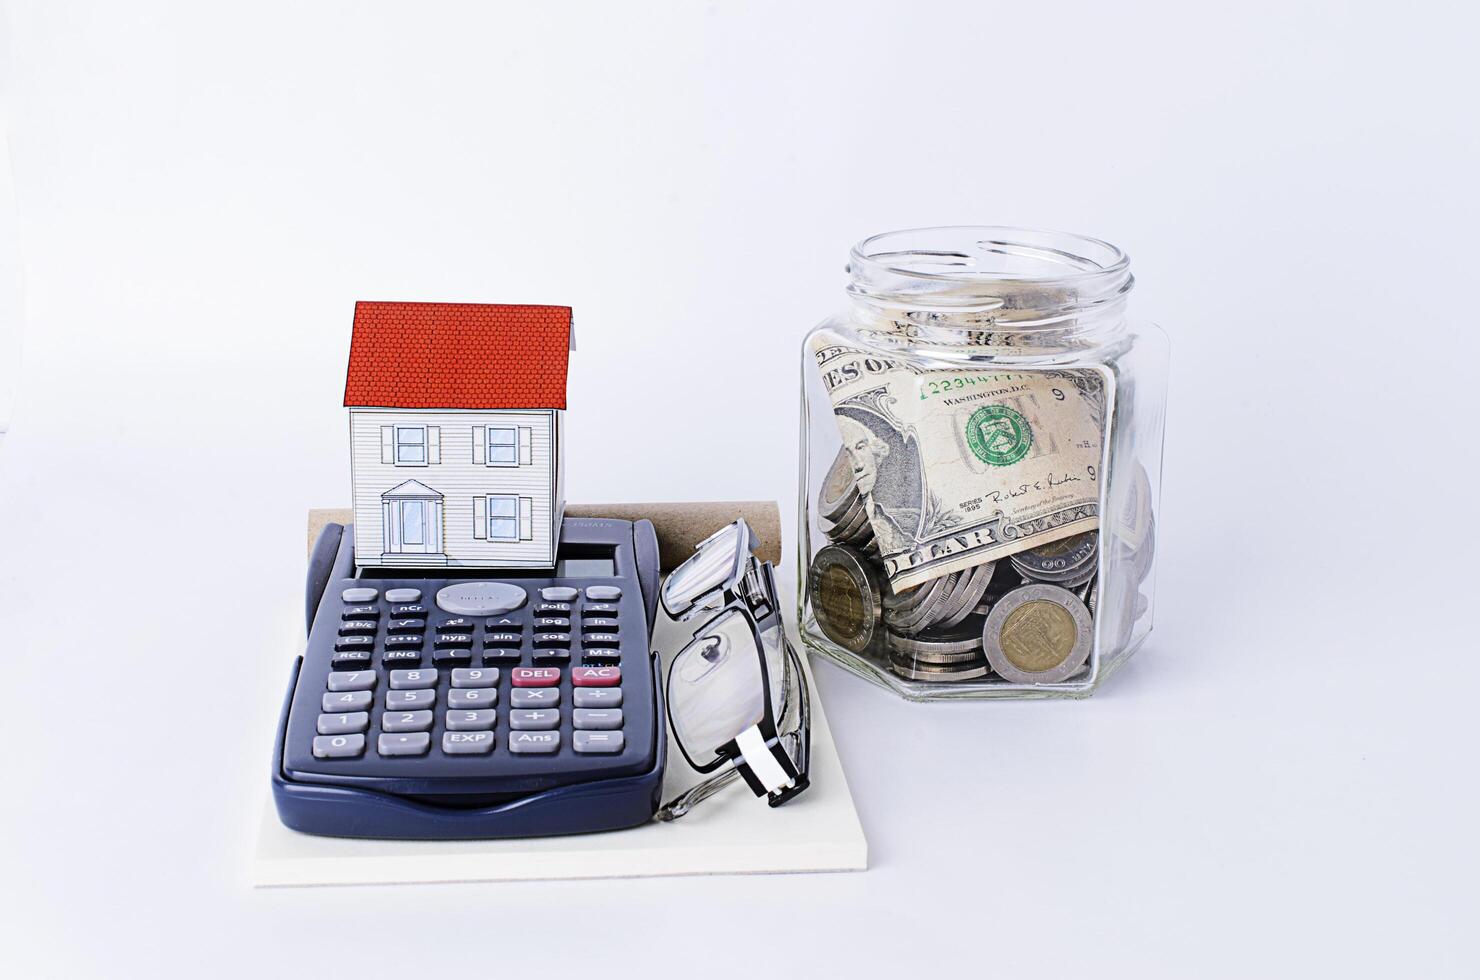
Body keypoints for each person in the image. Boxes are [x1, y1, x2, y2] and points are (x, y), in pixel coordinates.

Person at [836, 406, 924, 557]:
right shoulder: (837, 536)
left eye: (861, 447)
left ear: (875, 452)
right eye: (846, 454)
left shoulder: (912, 521)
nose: (858, 464)